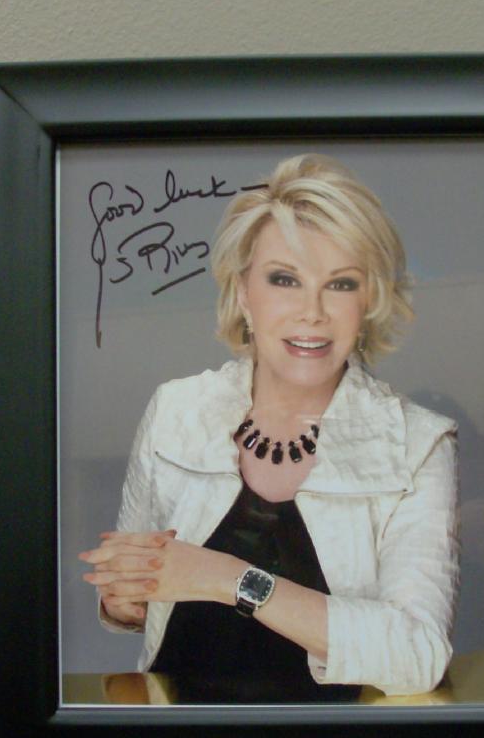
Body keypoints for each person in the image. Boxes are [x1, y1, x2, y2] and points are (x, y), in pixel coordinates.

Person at [80, 154, 459, 704]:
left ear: (369, 300)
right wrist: (124, 600)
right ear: (243, 293)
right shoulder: (175, 410)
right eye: (284, 279)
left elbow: (417, 656)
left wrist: (229, 579)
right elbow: (140, 597)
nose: (312, 311)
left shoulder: (418, 444)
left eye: (341, 284)